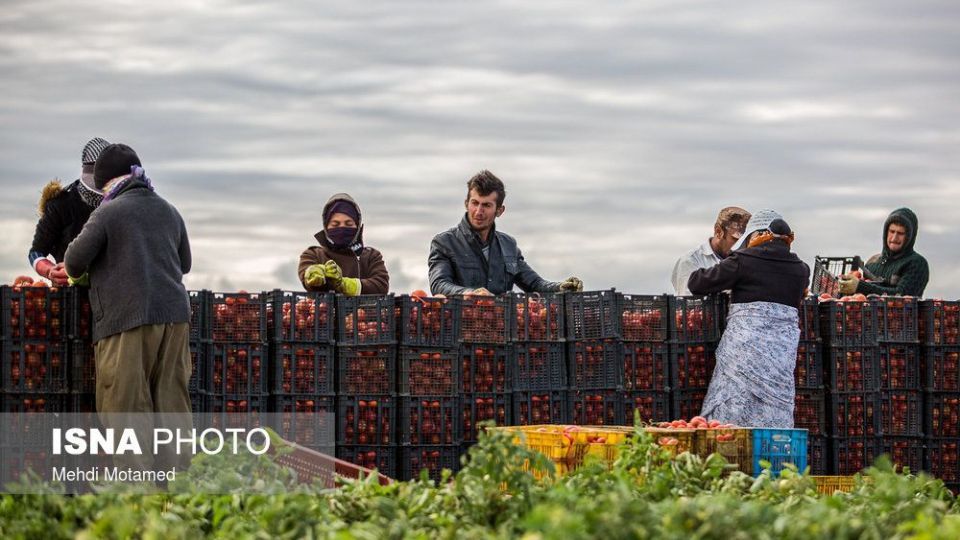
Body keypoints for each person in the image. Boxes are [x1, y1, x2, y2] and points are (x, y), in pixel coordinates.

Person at [64, 143, 193, 471]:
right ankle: (178, 495)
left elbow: (74, 263)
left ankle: (138, 501)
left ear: (105, 182)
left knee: (127, 408)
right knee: (172, 406)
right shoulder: (169, 209)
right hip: (175, 320)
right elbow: (185, 263)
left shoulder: (108, 211)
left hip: (127, 321)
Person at [687, 209, 809, 427]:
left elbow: (697, 283)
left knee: (732, 414)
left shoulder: (744, 261)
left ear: (756, 235)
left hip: (743, 357)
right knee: (773, 415)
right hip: (779, 362)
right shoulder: (801, 270)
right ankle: (773, 454)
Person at [428, 170, 582, 296]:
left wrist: (561, 287)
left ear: (500, 210)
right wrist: (469, 293)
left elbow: (534, 283)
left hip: (500, 328)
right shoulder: (444, 243)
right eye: (475, 203)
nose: (478, 211)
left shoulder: (508, 245)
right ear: (466, 203)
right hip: (460, 327)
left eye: (486, 205)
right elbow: (439, 284)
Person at [28, 137, 110, 285]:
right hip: (70, 295)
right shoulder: (60, 205)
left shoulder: (123, 204)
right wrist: (50, 271)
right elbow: (36, 252)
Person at [298, 194, 389, 295]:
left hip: (363, 311)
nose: (342, 228)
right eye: (335, 224)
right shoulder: (313, 254)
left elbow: (381, 285)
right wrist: (316, 273)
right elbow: (307, 279)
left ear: (357, 226)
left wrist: (345, 284)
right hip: (324, 310)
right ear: (326, 226)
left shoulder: (371, 256)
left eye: (349, 224)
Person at [839, 208, 929, 297]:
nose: (894, 238)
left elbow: (901, 296)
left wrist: (859, 286)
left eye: (900, 233)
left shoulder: (917, 263)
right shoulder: (872, 263)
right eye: (892, 231)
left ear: (909, 237)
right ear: (886, 233)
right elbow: (860, 297)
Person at [671, 206, 751, 295]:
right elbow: (689, 304)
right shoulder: (690, 261)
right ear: (718, 231)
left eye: (746, 240)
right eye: (736, 239)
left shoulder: (746, 259)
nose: (743, 245)